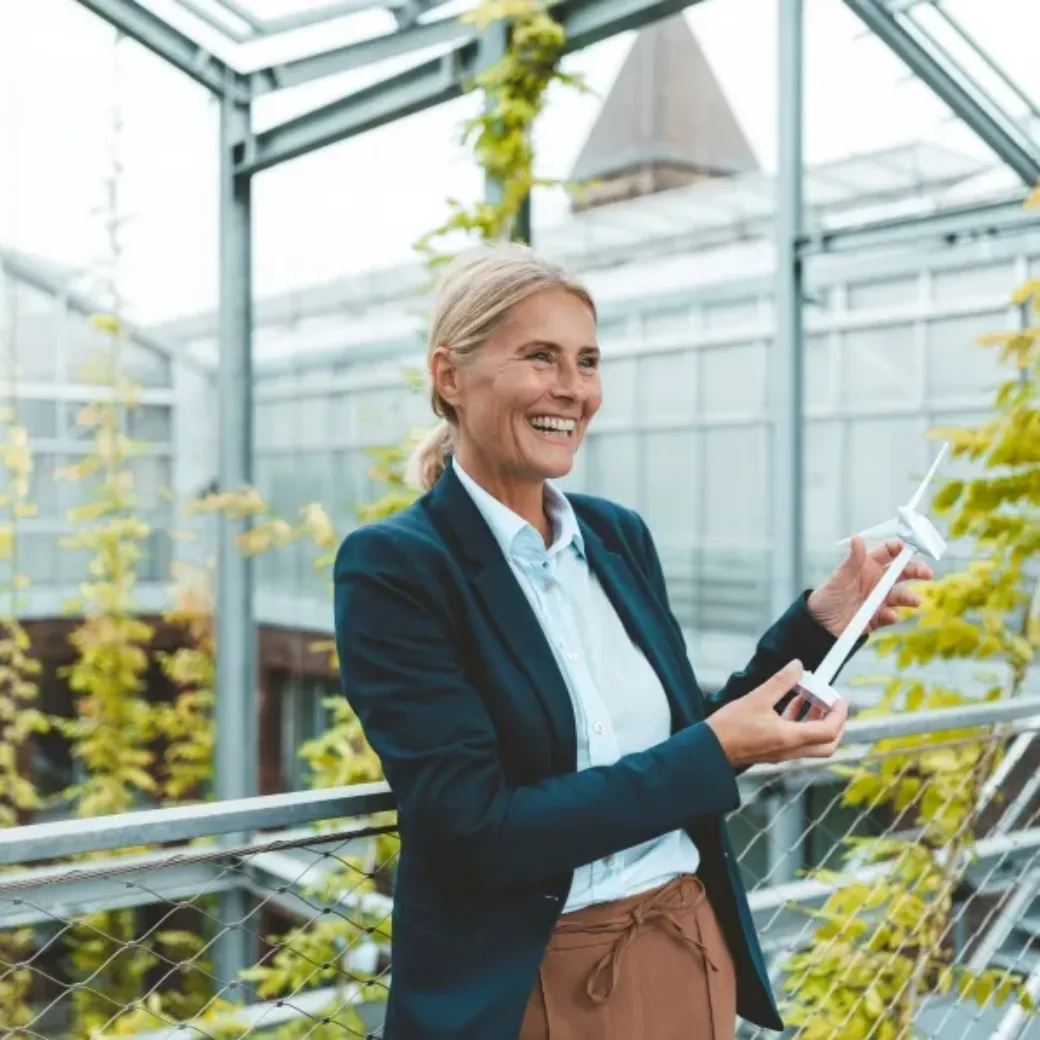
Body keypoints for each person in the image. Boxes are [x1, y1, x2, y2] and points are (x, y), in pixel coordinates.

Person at [332, 243, 932, 1040]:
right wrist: (713, 749)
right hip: (527, 986)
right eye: (540, 357)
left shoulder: (617, 537)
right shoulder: (397, 567)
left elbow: (687, 737)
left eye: (587, 362)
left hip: (685, 946)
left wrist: (828, 621)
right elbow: (477, 830)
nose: (572, 389)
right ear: (450, 375)